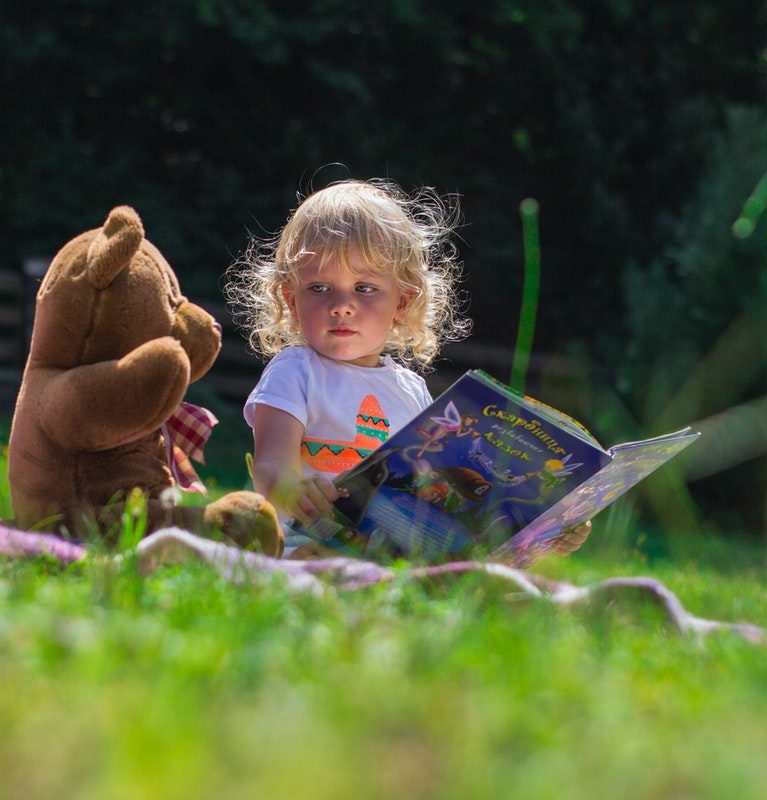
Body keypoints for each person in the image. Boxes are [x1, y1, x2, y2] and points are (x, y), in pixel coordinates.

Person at [226, 178, 590, 558]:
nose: (341, 305)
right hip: (310, 542)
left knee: (488, 583)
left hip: (397, 554)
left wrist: (546, 530)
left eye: (364, 288)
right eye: (319, 287)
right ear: (290, 297)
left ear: (403, 301)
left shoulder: (411, 389)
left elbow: (434, 488)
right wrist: (292, 490)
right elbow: (270, 466)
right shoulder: (295, 371)